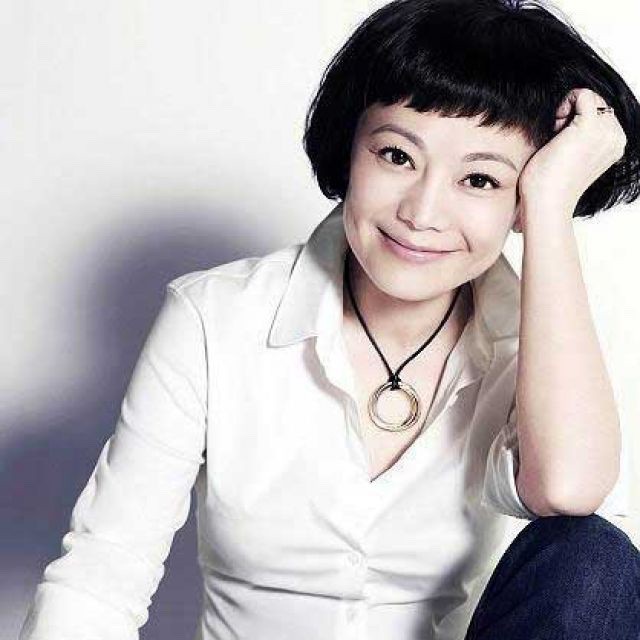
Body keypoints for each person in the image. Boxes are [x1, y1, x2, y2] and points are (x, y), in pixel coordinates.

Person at [19, 0, 640, 639]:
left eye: (480, 180)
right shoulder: (215, 317)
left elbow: (569, 491)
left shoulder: (533, 348)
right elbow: (102, 574)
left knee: (593, 557)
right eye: (397, 156)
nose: (422, 212)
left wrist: (550, 210)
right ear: (350, 151)